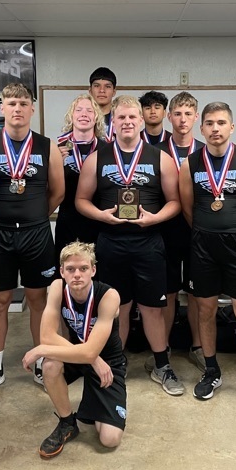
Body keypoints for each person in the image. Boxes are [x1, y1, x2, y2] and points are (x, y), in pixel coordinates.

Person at [76, 95, 183, 396]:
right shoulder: (97, 158)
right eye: (121, 117)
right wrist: (100, 215)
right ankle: (115, 364)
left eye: (132, 117)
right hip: (110, 243)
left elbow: (175, 202)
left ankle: (161, 365)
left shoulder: (160, 158)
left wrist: (156, 218)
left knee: (152, 309)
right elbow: (81, 200)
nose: (127, 122)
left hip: (148, 243)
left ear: (141, 120)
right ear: (113, 122)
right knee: (116, 308)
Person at [0, 82, 65, 400]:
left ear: (32, 109)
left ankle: (39, 363)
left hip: (36, 234)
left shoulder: (47, 146)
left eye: (23, 103)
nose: (17, 109)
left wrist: (35, 216)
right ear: (2, 108)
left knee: (39, 300)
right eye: (11, 103)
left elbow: (58, 192)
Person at [179, 101, 236, 409]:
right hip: (203, 246)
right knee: (205, 310)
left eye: (221, 123)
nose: (215, 128)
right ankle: (211, 371)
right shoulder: (190, 164)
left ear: (231, 127)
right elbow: (188, 209)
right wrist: (208, 230)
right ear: (201, 128)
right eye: (209, 123)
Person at [22, 241, 126, 459]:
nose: (77, 275)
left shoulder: (109, 296)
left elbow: (86, 352)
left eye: (83, 268)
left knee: (109, 439)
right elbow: (47, 336)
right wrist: (92, 359)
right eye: (70, 269)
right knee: (50, 365)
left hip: (108, 362)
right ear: (62, 271)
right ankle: (67, 422)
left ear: (93, 270)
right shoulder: (57, 288)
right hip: (80, 355)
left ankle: (95, 401)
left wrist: (43, 349)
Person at [144, 92, 206, 374]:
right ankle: (164, 347)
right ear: (169, 117)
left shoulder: (205, 151)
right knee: (167, 291)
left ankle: (198, 346)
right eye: (177, 114)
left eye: (188, 114)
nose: (182, 120)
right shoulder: (154, 151)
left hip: (197, 230)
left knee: (196, 292)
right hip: (165, 230)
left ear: (196, 117)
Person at [54, 94, 107, 261]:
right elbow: (47, 188)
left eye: (89, 111)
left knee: (98, 269)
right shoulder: (57, 150)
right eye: (79, 110)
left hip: (99, 220)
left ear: (96, 117)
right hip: (68, 220)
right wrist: (56, 165)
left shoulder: (108, 150)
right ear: (71, 116)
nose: (84, 114)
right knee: (67, 268)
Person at [88, 67, 117, 141]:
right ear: (90, 90)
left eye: (107, 86)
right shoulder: (83, 118)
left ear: (114, 92)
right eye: (97, 86)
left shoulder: (121, 118)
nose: (102, 90)